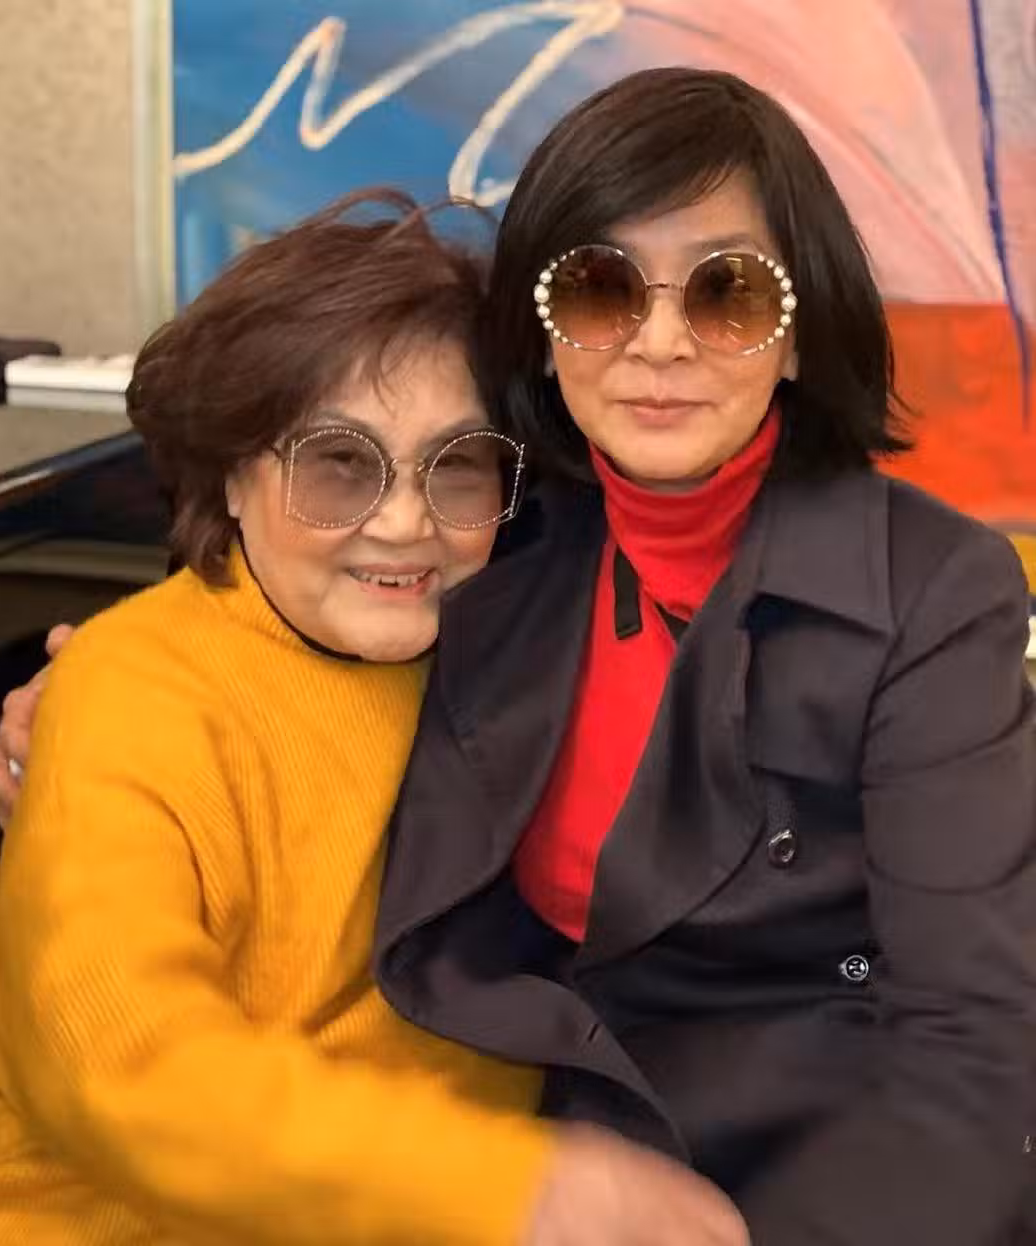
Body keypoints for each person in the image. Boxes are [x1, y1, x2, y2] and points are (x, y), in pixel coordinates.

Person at [0, 190, 748, 1246]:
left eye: (456, 464)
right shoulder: (130, 691)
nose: (404, 520)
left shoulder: (500, 643)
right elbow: (123, 1066)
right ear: (232, 474)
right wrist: (519, 1191)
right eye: (339, 462)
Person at [367, 69, 1036, 1246]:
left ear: (796, 340)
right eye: (601, 287)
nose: (660, 342)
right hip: (549, 1159)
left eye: (727, 292)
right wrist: (90, 703)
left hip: (838, 1173)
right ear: (546, 335)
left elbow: (970, 1048)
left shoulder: (935, 590)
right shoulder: (488, 548)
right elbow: (282, 612)